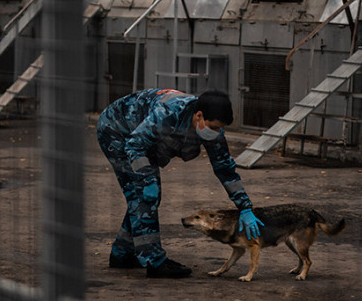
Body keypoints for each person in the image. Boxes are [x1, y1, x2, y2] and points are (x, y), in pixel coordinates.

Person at [97, 88, 264, 278]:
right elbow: (134, 145)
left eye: (220, 128)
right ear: (199, 115)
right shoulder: (167, 114)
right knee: (144, 195)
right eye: (214, 127)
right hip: (116, 130)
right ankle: (155, 262)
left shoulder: (210, 129)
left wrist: (245, 207)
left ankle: (122, 254)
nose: (217, 132)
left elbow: (224, 168)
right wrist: (146, 178)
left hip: (141, 140)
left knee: (144, 197)